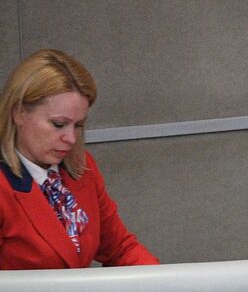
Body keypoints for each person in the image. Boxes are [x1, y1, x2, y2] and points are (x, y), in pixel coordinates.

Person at [0, 48, 157, 269]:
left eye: (78, 125)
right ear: (19, 113)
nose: (71, 138)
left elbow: (120, 249)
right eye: (58, 124)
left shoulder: (82, 167)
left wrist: (163, 284)